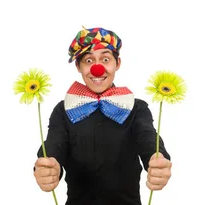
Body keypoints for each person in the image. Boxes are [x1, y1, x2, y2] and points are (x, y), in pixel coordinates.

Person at [32, 27, 173, 205]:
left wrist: (157, 157)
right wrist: (48, 166)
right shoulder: (63, 110)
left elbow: (147, 136)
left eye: (105, 59)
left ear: (117, 63)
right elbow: (53, 144)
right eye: (88, 60)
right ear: (78, 66)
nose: (97, 69)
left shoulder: (136, 108)